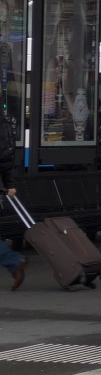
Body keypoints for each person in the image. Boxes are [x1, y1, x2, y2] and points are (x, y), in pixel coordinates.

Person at [0, 112, 25, 290]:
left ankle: (14, 262)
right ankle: (14, 263)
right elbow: (7, 159)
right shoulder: (6, 122)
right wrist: (9, 184)